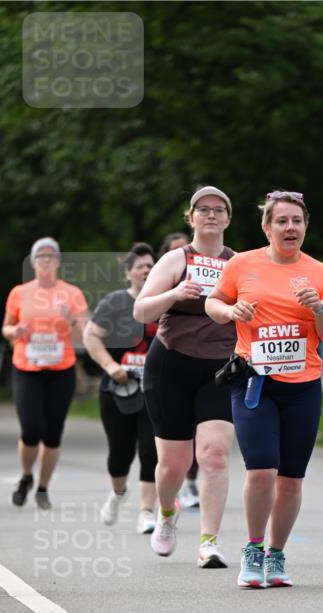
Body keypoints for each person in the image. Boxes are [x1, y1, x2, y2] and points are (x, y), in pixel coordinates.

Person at [206, 190, 323, 588]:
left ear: (305, 228)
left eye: (297, 221)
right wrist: (232, 311)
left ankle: (276, 553)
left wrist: (318, 308)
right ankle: (252, 549)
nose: (290, 228)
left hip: (303, 386)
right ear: (267, 227)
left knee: (291, 478)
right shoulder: (242, 265)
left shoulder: (320, 272)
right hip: (254, 383)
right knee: (262, 468)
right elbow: (212, 304)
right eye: (281, 221)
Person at [134, 186, 236, 567]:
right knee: (173, 464)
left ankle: (209, 541)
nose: (210, 215)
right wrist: (175, 293)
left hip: (220, 368)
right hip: (170, 365)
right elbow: (141, 311)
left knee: (214, 453)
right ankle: (165, 513)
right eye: (203, 210)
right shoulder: (176, 259)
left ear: (228, 219)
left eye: (218, 210)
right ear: (190, 218)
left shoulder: (239, 263)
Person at [2, 237, 89, 509]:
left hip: (61, 369)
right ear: (33, 261)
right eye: (41, 256)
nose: (46, 260)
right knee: (31, 429)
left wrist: (70, 319)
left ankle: (42, 487)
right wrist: (14, 332)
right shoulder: (19, 292)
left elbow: (84, 337)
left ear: (59, 262)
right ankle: (26, 476)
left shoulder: (72, 293)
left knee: (52, 433)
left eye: (52, 256)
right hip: (26, 368)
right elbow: (6, 328)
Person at [83, 242, 159, 535]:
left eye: (151, 266)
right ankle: (117, 494)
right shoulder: (114, 303)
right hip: (117, 390)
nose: (146, 270)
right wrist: (110, 366)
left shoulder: (164, 303)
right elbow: (91, 337)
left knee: (150, 448)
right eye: (140, 266)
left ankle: (146, 512)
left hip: (153, 390)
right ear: (128, 273)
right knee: (120, 452)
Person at [157, 231, 200, 510]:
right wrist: (174, 294)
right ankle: (164, 503)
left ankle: (192, 484)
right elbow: (143, 313)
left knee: (209, 439)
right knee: (172, 448)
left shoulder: (224, 265)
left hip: (208, 360)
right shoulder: (164, 274)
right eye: (176, 252)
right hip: (166, 361)